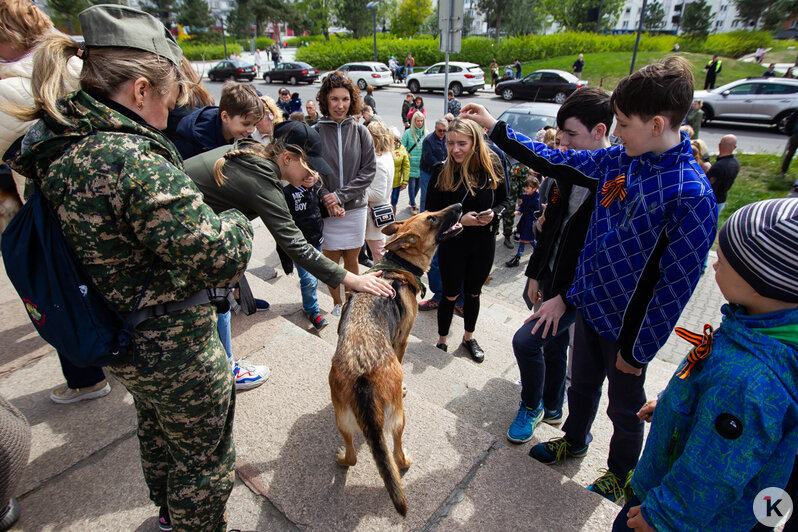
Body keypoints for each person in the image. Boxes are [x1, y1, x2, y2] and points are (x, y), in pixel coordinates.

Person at [6, 6, 255, 529]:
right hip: (173, 344)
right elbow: (220, 256)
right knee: (203, 463)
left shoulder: (52, 141)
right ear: (141, 91)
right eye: (168, 97)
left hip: (114, 331)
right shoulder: (129, 159)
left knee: (156, 429)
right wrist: (233, 217)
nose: (171, 111)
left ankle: (166, 515)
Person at [461, 56, 718, 501]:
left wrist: (637, 352)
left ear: (657, 124)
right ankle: (575, 439)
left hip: (627, 333)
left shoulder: (691, 195)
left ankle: (620, 472)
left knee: (624, 409)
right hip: (589, 305)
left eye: (622, 122)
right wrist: (495, 128)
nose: (614, 132)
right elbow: (556, 159)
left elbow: (673, 291)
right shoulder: (622, 159)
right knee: (580, 386)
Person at [614, 198, 798, 532]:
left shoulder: (748, 380)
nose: (714, 266)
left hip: (676, 511)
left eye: (724, 262)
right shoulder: (762, 327)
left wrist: (664, 517)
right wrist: (676, 404)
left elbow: (717, 468)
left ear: (761, 282)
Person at [0, 0, 115, 405]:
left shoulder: (10, 86)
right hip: (102, 193)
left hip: (55, 202)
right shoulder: (77, 63)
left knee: (64, 285)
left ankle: (87, 376)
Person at [184, 122, 394, 330]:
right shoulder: (263, 182)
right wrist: (354, 280)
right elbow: (296, 245)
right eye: (309, 166)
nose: (313, 174)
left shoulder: (255, 157)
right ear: (287, 158)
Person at [504, 86, 613, 445]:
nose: (562, 141)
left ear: (600, 131)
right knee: (552, 344)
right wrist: (535, 272)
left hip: (577, 291)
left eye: (571, 133)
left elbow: (599, 254)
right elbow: (550, 228)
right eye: (560, 132)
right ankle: (551, 406)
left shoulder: (612, 180)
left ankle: (531, 405)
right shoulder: (567, 170)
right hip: (550, 276)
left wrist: (565, 298)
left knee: (526, 342)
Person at [426, 117, 510, 362]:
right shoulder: (442, 170)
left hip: (483, 243)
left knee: (473, 294)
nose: (455, 149)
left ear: (475, 142)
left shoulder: (492, 166)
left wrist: (494, 214)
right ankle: (441, 340)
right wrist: (460, 221)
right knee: (449, 294)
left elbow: (506, 201)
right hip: (453, 244)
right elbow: (430, 215)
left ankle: (468, 337)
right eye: (451, 143)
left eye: (462, 143)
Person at [315, 71, 377, 317]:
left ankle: (351, 303)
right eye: (334, 99)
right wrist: (327, 197)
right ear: (325, 100)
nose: (340, 105)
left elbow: (368, 171)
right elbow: (310, 173)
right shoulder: (315, 131)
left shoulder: (362, 132)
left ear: (352, 100)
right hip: (326, 209)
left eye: (344, 99)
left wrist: (340, 196)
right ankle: (337, 303)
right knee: (331, 264)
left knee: (352, 261)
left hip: (354, 209)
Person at [172, 81, 264, 160]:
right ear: (225, 117)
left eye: (255, 124)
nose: (251, 130)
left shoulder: (243, 138)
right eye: (246, 124)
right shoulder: (192, 141)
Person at [364, 121, 394, 263]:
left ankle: (383, 282)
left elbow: (377, 194)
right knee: (379, 252)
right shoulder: (387, 155)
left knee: (379, 254)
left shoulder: (379, 161)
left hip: (375, 214)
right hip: (382, 210)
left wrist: (358, 191)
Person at [504, 174, 539, 268]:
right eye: (525, 188)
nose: (525, 190)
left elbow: (537, 213)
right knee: (529, 239)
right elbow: (523, 206)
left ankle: (517, 258)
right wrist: (519, 211)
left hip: (530, 223)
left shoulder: (536, 200)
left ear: (534, 188)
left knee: (523, 239)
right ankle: (539, 250)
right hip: (524, 221)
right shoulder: (526, 196)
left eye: (528, 188)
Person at [419, 118, 448, 212]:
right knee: (426, 196)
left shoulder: (447, 138)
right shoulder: (428, 140)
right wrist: (440, 166)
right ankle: (422, 216)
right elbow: (428, 157)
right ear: (435, 128)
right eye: (440, 130)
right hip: (428, 172)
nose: (442, 133)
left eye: (444, 131)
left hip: (441, 172)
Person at [706, 134, 740, 213]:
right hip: (722, 199)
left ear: (719, 145)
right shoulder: (735, 163)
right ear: (734, 147)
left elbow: (709, 188)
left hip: (713, 202)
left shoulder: (718, 167)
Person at [402, 110, 426, 214]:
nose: (420, 123)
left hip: (421, 165)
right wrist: (407, 155)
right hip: (411, 164)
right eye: (418, 121)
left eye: (421, 121)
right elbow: (402, 147)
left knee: (418, 185)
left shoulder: (426, 133)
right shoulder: (408, 133)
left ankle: (412, 200)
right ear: (413, 121)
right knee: (411, 185)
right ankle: (413, 204)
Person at [390, 126, 410, 215]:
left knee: (393, 203)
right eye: (392, 140)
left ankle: (392, 220)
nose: (394, 142)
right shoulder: (384, 147)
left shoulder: (401, 149)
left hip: (396, 183)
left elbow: (406, 165)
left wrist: (405, 181)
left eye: (396, 140)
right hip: (385, 182)